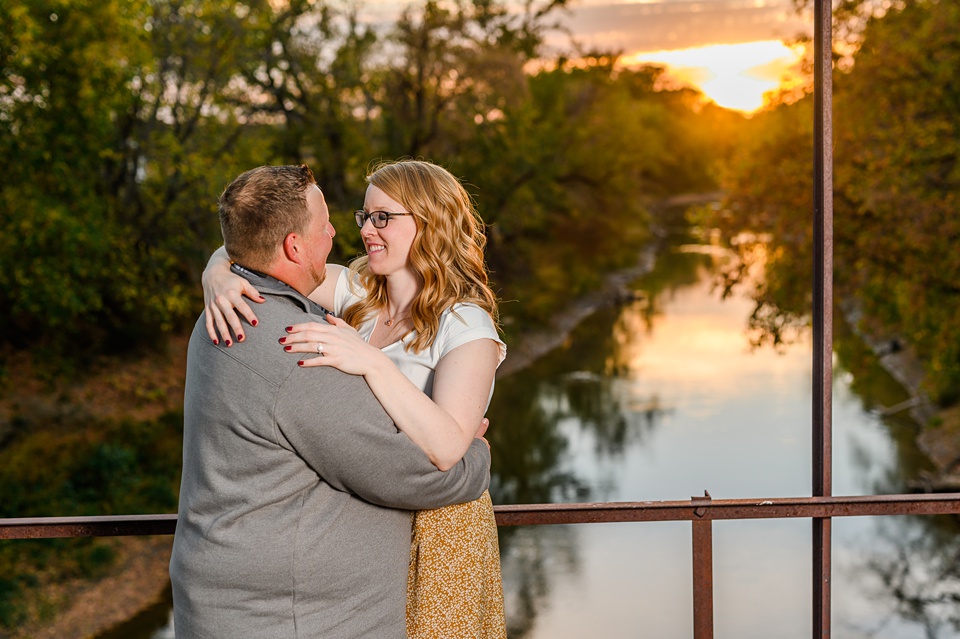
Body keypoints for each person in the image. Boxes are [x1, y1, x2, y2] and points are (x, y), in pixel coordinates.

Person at [170, 164, 492, 639]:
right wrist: (215, 276)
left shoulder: (465, 325)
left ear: (430, 220)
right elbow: (258, 245)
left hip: (440, 529)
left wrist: (371, 361)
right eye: (365, 215)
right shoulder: (355, 290)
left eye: (383, 218)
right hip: (375, 526)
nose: (364, 230)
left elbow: (446, 449)